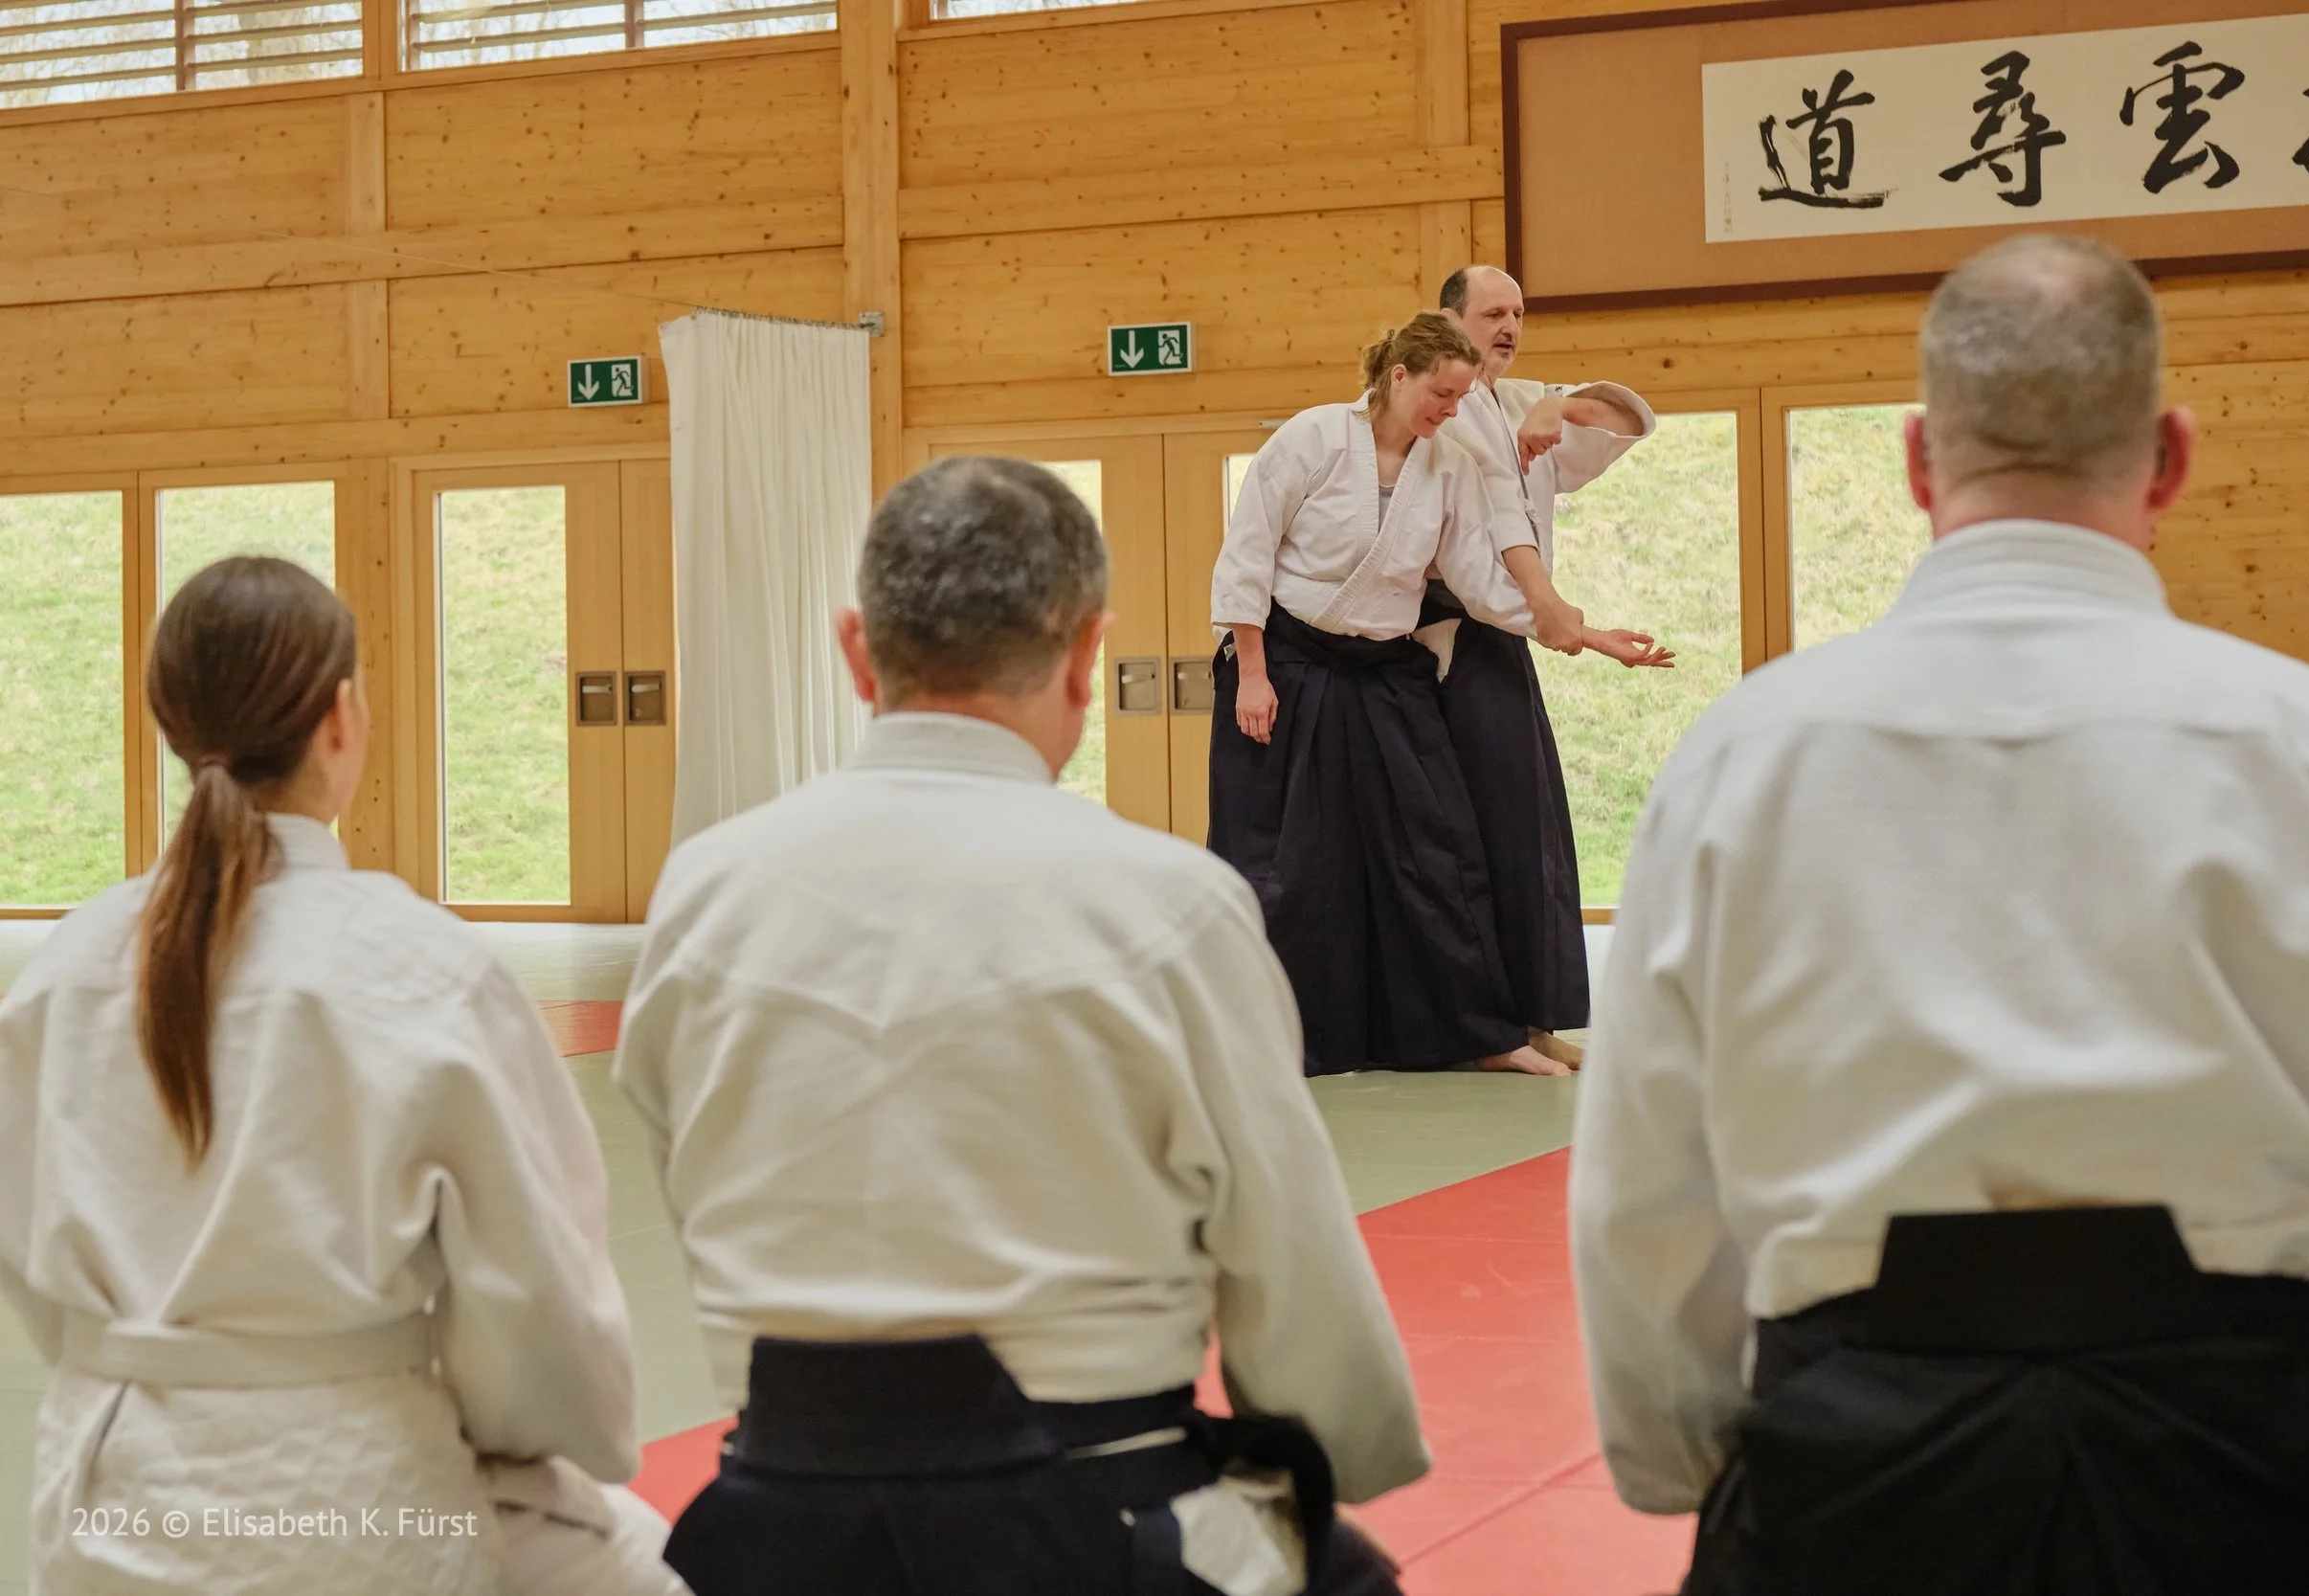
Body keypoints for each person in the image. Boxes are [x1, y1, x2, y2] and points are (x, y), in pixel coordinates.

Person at [1571, 233, 2309, 1594]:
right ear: (2171, 457)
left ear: (1916, 461)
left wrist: (1694, 1458)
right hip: (2255, 1466)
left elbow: (1644, 1185)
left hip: (1850, 1461)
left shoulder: (1741, 757)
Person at [616, 457, 1428, 1596]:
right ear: (1087, 653)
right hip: (1090, 1520)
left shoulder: (704, 892)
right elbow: (1288, 1262)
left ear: (857, 650)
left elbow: (689, 1178)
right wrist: (1340, 1450)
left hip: (769, 1527)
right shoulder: (1168, 904)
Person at [0, 557, 684, 1596]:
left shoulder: (64, 968)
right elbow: (538, 1308)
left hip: (106, 1503)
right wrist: (534, 1441)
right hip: (361, 1508)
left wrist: (135, 1363)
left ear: (170, 724)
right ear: (340, 716)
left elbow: (30, 1255)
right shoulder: (427, 967)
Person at [1209, 310, 1618, 1077]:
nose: (1450, 411)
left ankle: (1479, 1035)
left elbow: (1477, 579)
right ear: (1398, 376)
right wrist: (1253, 675)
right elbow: (1247, 556)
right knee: (1288, 860)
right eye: (1441, 393)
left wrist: (1573, 628)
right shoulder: (1312, 438)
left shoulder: (1448, 465)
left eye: (1461, 398)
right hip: (1286, 664)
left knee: (1436, 845)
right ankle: (1268, 1039)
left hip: (1385, 669)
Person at [1430, 264, 1674, 1072]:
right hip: (1434, 640)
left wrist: (1559, 406)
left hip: (1501, 638)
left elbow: (1627, 417)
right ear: (1449, 320)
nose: (1509, 326)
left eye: (1519, 313)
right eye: (1492, 313)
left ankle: (1526, 1023)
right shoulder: (1434, 414)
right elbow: (1484, 536)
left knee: (1526, 833)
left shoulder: (1517, 402)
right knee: (1456, 843)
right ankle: (1477, 1030)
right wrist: (1569, 623)